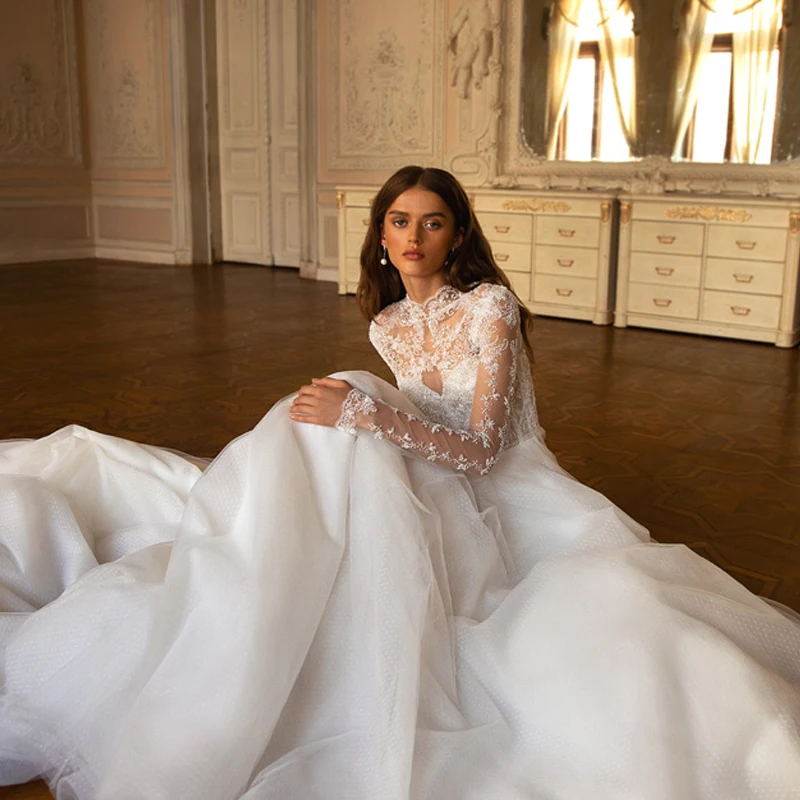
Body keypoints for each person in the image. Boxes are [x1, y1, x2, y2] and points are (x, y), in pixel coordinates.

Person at [0, 166, 799, 800]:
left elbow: (485, 449)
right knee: (318, 423)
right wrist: (361, 417)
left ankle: (280, 572)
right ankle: (261, 570)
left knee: (348, 407)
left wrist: (366, 417)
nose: (413, 236)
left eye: (433, 222)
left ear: (458, 238)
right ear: (380, 236)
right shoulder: (387, 322)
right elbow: (413, 420)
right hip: (427, 464)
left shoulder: (490, 308)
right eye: (398, 221)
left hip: (506, 490)